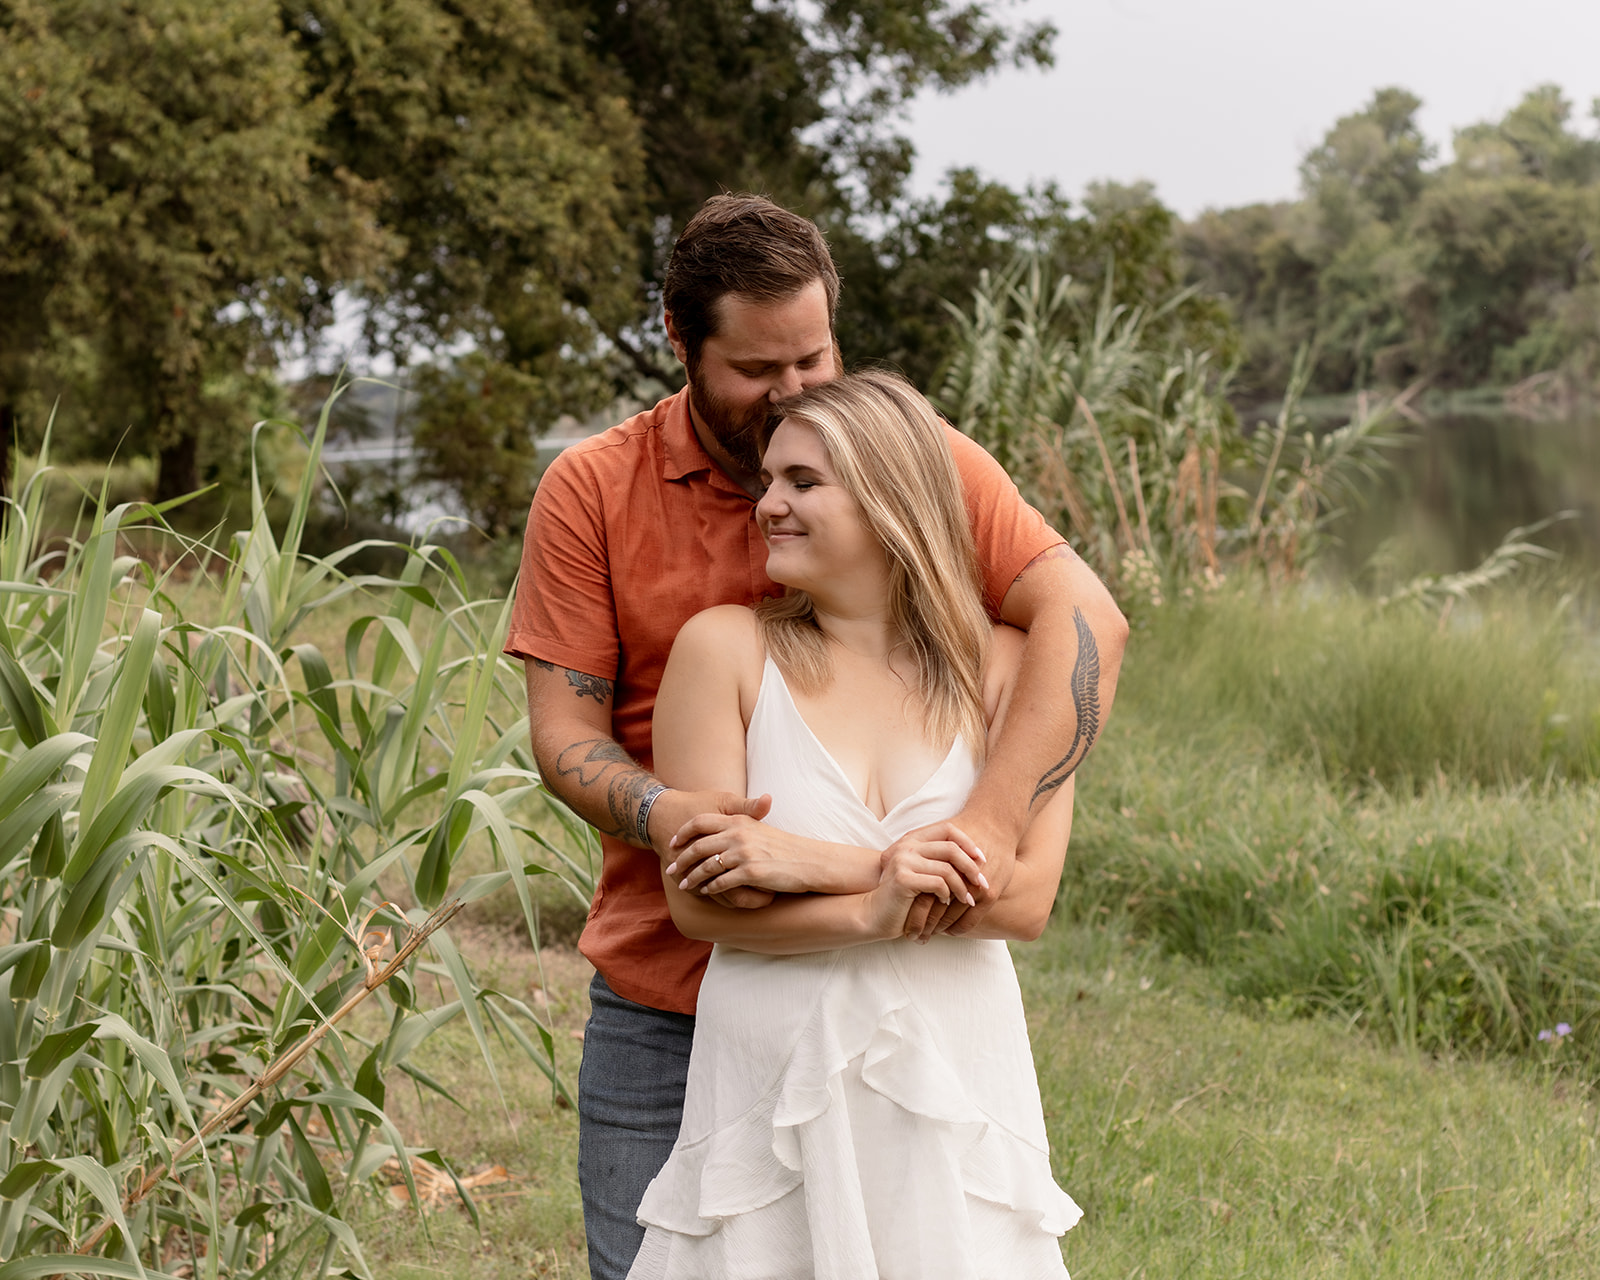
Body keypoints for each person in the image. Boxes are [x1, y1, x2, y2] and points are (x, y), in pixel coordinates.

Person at [507, 194, 1125, 1280]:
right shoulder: (596, 489)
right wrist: (667, 811)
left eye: (815, 353)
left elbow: (1086, 622)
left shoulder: (905, 457)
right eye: (759, 369)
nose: (794, 387)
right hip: (674, 983)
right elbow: (563, 727)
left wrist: (973, 829)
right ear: (678, 339)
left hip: (912, 997)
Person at [629, 369, 1082, 1279]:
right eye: (769, 482)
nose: (768, 506)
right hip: (772, 1066)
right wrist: (869, 906)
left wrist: (804, 858)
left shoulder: (1004, 669)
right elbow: (702, 907)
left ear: (888, 497)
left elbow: (1026, 899)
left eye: (802, 482)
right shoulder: (725, 651)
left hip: (948, 1064)